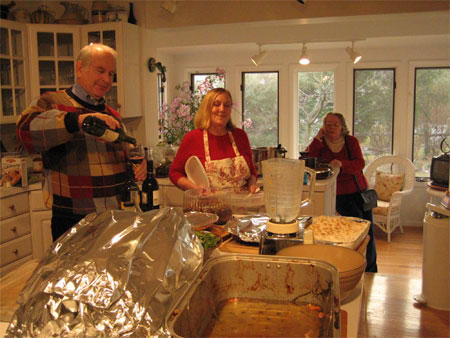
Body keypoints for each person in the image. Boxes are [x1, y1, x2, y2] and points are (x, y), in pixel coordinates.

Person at [16, 43, 146, 242]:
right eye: (100, 71)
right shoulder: (52, 102)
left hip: (114, 217)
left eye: (111, 74)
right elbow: (25, 131)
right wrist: (76, 120)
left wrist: (138, 164)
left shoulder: (113, 116)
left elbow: (126, 156)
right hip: (72, 217)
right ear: (79, 68)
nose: (106, 79)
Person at [307, 112, 378, 272]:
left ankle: (371, 269)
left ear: (342, 127)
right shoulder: (321, 143)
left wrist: (342, 164)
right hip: (337, 194)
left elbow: (359, 163)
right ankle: (352, 266)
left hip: (359, 191)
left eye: (335, 124)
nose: (331, 128)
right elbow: (309, 159)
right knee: (352, 234)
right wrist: (317, 139)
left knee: (368, 231)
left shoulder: (351, 141)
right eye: (328, 124)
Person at [169, 88, 258, 193]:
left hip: (240, 205)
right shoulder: (193, 138)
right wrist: (194, 188)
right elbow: (174, 173)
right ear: (207, 108)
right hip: (207, 206)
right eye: (216, 104)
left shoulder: (240, 136)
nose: (222, 109)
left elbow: (252, 172)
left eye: (227, 105)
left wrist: (252, 185)